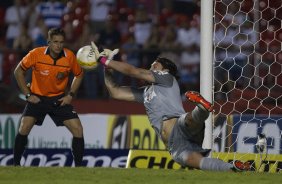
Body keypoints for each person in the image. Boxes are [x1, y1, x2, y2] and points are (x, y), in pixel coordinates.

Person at [90, 42, 251, 171]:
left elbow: (134, 71)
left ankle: (201, 108)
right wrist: (106, 68)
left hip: (179, 126)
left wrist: (104, 60)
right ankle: (233, 168)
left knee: (187, 121)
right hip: (175, 145)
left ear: (165, 69)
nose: (151, 68)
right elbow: (115, 92)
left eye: (155, 65)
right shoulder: (145, 92)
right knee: (195, 161)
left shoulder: (166, 78)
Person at [13, 28, 84, 167]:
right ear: (49, 42)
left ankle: (79, 168)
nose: (58, 45)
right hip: (37, 98)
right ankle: (16, 165)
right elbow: (18, 72)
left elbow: (79, 74)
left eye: (61, 42)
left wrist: (70, 95)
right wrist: (28, 95)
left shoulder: (69, 56)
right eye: (55, 42)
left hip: (58, 99)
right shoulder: (36, 54)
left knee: (78, 129)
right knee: (24, 126)